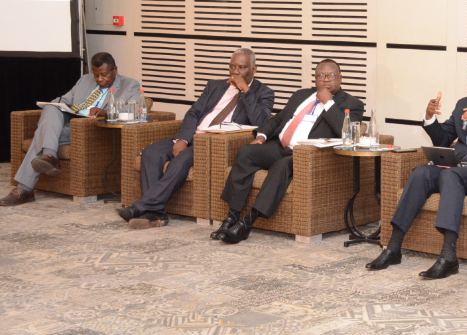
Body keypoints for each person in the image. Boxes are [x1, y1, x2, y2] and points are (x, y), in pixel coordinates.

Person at [366, 61, 467, 279]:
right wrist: (430, 118)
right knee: (421, 172)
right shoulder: (465, 103)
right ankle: (393, 247)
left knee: (450, 175)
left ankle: (448, 256)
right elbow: (443, 139)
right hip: (457, 166)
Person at [116, 48, 275, 229]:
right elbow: (194, 113)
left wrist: (245, 90)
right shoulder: (215, 86)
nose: (235, 72)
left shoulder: (264, 93)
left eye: (242, 68)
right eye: (232, 66)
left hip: (212, 143)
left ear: (254, 69)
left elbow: (261, 123)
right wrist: (183, 139)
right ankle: (155, 214)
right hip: (193, 135)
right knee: (151, 153)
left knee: (182, 159)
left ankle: (140, 207)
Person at [213, 59, 363, 244]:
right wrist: (262, 136)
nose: (325, 79)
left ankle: (247, 224)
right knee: (246, 153)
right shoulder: (301, 95)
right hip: (280, 146)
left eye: (330, 75)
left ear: (340, 78)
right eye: (320, 76)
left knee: (281, 166)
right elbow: (279, 119)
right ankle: (232, 216)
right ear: (315, 79)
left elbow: (347, 134)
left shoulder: (352, 103)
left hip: (306, 154)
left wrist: (329, 103)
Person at [2, 52, 140, 207]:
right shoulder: (84, 80)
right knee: (51, 108)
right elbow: (64, 100)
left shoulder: (130, 85)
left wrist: (105, 112)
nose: (99, 79)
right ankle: (49, 156)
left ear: (115, 70)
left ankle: (25, 188)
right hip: (70, 121)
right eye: (96, 75)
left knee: (43, 134)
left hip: (90, 127)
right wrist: (58, 105)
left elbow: (133, 110)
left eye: (104, 75)